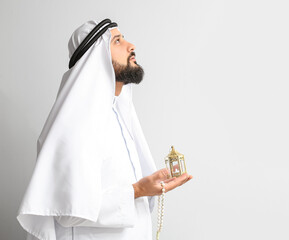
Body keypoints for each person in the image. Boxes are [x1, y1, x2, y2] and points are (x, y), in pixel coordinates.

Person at [16, 19, 193, 240]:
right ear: (95, 58)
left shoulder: (117, 115)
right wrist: (138, 190)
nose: (131, 46)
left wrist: (147, 188)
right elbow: (66, 211)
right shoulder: (76, 123)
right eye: (117, 41)